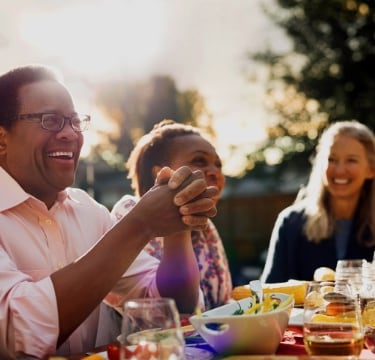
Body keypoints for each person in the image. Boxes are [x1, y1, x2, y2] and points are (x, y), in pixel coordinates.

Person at [0, 65, 218, 358]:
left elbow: (171, 303)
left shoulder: (89, 211)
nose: (69, 134)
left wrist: (179, 222)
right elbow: (16, 336)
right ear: (2, 139)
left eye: (75, 122)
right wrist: (139, 225)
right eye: (50, 120)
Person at [112, 119, 233, 310]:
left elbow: (223, 304)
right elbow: (160, 311)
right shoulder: (129, 214)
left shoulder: (206, 228)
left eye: (218, 165)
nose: (215, 172)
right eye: (199, 161)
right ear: (162, 174)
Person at [261, 120, 375, 283]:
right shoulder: (290, 223)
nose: (339, 170)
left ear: (371, 169)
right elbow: (270, 292)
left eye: (351, 160)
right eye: (332, 159)